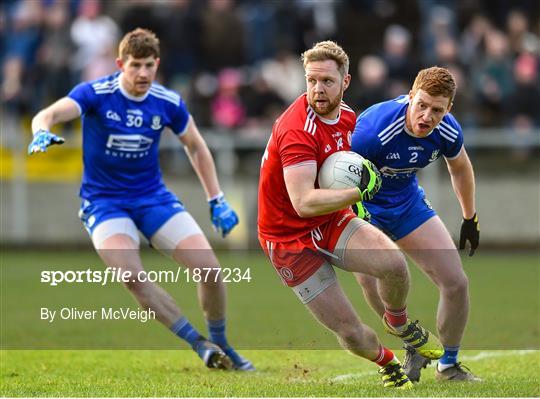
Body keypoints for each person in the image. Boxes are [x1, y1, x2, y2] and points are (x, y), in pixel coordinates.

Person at [28, 28, 253, 371]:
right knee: (131, 276)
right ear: (120, 64)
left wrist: (216, 198)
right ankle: (200, 344)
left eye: (149, 65)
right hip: (104, 203)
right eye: (135, 65)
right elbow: (50, 114)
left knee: (210, 270)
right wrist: (41, 129)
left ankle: (221, 341)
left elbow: (195, 144)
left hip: (152, 198)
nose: (143, 73)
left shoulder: (167, 101)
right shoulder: (95, 93)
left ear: (157, 64)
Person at [257, 41, 444, 390]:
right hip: (287, 238)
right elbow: (303, 203)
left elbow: (339, 173)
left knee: (393, 265)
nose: (317, 89)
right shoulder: (297, 130)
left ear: (345, 82)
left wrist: (354, 197)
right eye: (311, 80)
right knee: (351, 331)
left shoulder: (347, 117)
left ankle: (399, 324)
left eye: (327, 81)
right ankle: (387, 362)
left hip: (329, 219)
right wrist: (361, 191)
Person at [351, 66, 480, 382]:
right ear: (410, 97)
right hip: (363, 207)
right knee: (370, 282)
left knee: (456, 283)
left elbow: (460, 168)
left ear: (448, 109)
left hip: (408, 205)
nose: (427, 115)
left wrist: (469, 217)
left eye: (437, 110)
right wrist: (354, 216)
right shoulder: (372, 130)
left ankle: (447, 365)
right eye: (421, 104)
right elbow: (339, 174)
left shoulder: (447, 130)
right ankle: (413, 342)